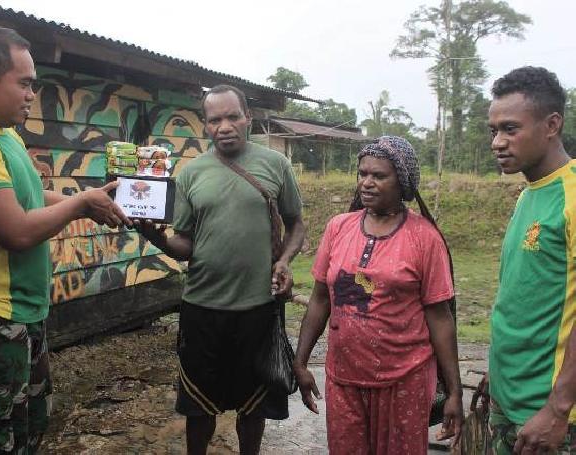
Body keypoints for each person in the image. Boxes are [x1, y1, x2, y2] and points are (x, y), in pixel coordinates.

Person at [0, 26, 129, 453]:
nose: (31, 95)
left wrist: (87, 203)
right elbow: (17, 231)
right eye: (24, 83)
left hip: (22, 312)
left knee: (28, 425)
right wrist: (80, 204)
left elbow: (29, 195)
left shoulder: (3, 134)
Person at [135, 84, 306, 455]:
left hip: (258, 307)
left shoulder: (275, 164)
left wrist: (284, 261)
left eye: (232, 117)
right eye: (215, 120)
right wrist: (156, 238)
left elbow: (296, 224)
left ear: (248, 117)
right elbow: (185, 244)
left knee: (253, 405)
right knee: (198, 406)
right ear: (205, 125)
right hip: (202, 308)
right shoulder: (191, 174)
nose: (224, 126)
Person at [293, 136, 463, 454]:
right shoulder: (338, 228)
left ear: (403, 182)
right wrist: (300, 362)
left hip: (405, 381)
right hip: (343, 378)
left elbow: (440, 318)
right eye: (362, 173)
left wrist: (454, 392)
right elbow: (320, 299)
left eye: (379, 176)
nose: (366, 183)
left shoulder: (425, 238)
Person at [480, 66, 576, 454]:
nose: (497, 142)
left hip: (550, 415)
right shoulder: (528, 194)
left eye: (510, 129)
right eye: (493, 131)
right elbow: (521, 296)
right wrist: (497, 373)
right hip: (508, 401)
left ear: (552, 124)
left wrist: (558, 409)